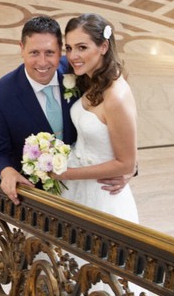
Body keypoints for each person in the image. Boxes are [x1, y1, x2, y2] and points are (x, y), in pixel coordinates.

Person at [0, 15, 129, 206]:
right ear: (22, 49)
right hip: (39, 199)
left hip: (90, 188)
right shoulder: (1, 96)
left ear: (61, 51)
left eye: (50, 52)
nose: (42, 63)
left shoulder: (79, 70)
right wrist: (6, 171)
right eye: (34, 52)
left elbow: (118, 115)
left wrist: (128, 168)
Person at [58, 13, 139, 223]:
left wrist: (65, 174)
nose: (72, 56)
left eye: (82, 47)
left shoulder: (116, 97)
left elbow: (126, 164)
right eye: (69, 47)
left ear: (103, 47)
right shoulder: (91, 78)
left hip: (102, 195)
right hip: (76, 187)